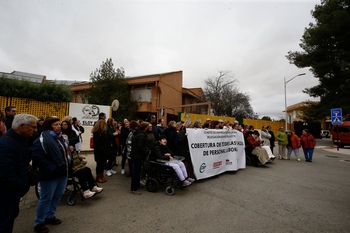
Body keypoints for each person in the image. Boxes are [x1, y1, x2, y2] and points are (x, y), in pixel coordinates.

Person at [32, 117, 70, 233]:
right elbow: (37, 157)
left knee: (57, 196)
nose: (59, 126)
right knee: (45, 198)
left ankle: (50, 216)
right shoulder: (41, 140)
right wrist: (53, 168)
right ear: (49, 126)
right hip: (49, 175)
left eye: (59, 124)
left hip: (62, 173)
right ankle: (39, 222)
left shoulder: (61, 138)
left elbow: (64, 153)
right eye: (56, 125)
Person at [0, 114, 37, 233]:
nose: (35, 130)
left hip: (13, 195)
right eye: (33, 127)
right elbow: (5, 174)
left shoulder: (20, 140)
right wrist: (22, 185)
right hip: (6, 196)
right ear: (22, 126)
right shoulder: (6, 145)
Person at [130, 121, 149, 195]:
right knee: (136, 172)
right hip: (137, 155)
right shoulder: (141, 135)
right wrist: (145, 152)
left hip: (135, 155)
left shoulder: (137, 133)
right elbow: (140, 146)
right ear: (145, 127)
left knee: (137, 171)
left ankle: (137, 185)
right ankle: (134, 188)